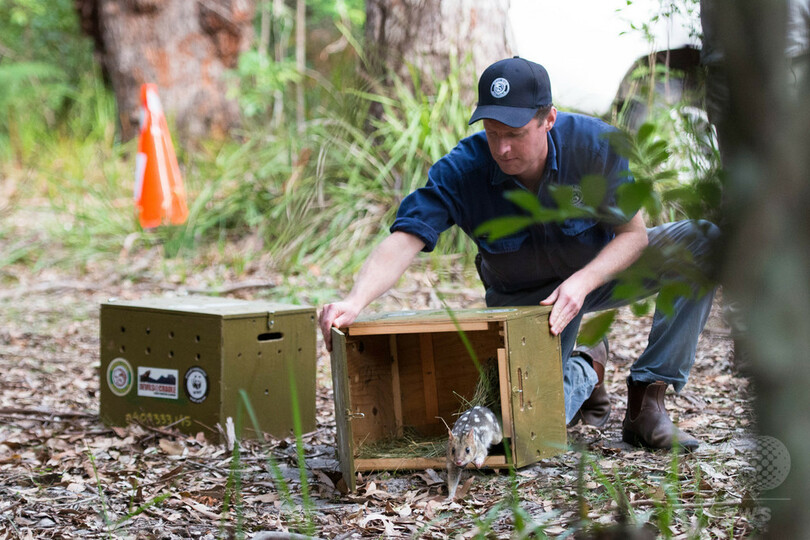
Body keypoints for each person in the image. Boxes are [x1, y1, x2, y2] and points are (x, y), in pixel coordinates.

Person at [319, 57, 718, 452]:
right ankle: (585, 367)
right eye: (492, 133)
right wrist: (354, 301)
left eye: (515, 133)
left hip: (599, 272)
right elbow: (405, 238)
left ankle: (647, 399)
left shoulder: (594, 146)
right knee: (520, 429)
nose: (503, 148)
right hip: (527, 303)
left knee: (704, 241)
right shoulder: (464, 169)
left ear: (548, 119)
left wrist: (581, 282)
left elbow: (634, 236)